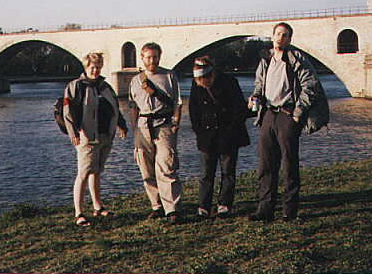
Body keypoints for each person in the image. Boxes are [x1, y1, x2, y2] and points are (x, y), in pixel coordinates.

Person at [248, 22, 328, 222]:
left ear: (290, 39)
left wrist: (298, 113)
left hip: (287, 115)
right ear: (272, 36)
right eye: (277, 34)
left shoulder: (297, 59)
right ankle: (265, 209)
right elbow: (259, 85)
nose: (280, 38)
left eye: (285, 35)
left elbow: (311, 86)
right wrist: (255, 97)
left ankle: (289, 211)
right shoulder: (266, 60)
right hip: (268, 114)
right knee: (266, 164)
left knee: (289, 164)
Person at [64, 52, 128, 227]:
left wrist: (121, 124)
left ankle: (98, 207)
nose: (96, 70)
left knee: (97, 171)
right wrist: (74, 134)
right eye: (93, 67)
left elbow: (114, 107)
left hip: (105, 135)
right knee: (83, 173)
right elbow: (68, 113)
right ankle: (79, 212)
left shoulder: (105, 87)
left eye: (99, 67)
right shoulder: (76, 86)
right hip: (86, 137)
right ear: (86, 67)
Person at [188, 56, 250, 218]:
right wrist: (199, 132)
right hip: (207, 136)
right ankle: (203, 206)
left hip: (228, 135)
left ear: (211, 75)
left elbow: (239, 109)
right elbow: (194, 112)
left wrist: (230, 130)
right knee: (205, 174)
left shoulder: (230, 82)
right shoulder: (196, 86)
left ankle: (224, 204)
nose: (201, 83)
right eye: (198, 80)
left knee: (228, 172)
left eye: (203, 79)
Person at [128, 42, 183, 224]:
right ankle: (156, 206)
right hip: (143, 126)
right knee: (146, 167)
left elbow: (178, 102)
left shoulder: (169, 76)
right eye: (148, 57)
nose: (152, 60)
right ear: (142, 58)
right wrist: (134, 128)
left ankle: (171, 208)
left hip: (164, 124)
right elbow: (133, 106)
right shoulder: (135, 81)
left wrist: (175, 123)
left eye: (155, 57)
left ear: (160, 57)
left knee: (167, 166)